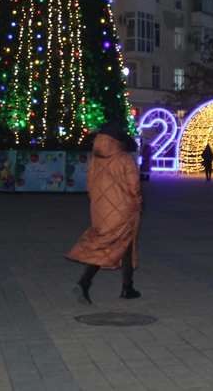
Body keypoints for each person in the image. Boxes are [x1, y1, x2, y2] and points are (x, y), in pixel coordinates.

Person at [67, 119, 144, 304]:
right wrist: (140, 205)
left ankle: (127, 286)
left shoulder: (95, 158)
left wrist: (97, 203)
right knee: (112, 246)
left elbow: (89, 185)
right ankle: (85, 282)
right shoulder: (125, 158)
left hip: (100, 208)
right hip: (124, 210)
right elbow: (134, 187)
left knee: (120, 245)